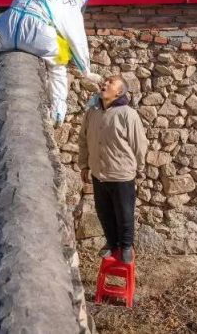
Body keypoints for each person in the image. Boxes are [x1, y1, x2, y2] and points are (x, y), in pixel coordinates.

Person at [0, 0, 99, 124]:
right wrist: (86, 70)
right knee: (57, 63)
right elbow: (77, 39)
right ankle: (58, 111)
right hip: (36, 32)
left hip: (8, 24)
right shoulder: (70, 1)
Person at [78, 76, 147, 263]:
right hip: (99, 173)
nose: (105, 84)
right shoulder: (92, 112)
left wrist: (140, 167)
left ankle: (125, 246)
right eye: (105, 81)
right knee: (103, 211)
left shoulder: (127, 114)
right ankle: (111, 243)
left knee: (124, 212)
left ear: (119, 92)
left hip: (121, 173)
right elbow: (83, 140)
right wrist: (84, 164)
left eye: (111, 82)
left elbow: (139, 143)